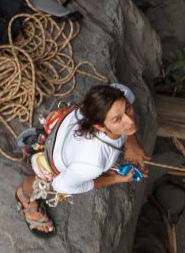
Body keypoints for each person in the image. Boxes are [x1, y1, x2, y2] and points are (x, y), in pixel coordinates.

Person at [14, 82, 152, 235]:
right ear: (99, 127)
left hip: (63, 125)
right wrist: (114, 179)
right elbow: (60, 186)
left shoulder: (117, 93)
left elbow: (124, 99)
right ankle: (24, 196)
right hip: (53, 158)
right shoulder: (93, 164)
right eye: (118, 119)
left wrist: (131, 142)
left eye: (127, 108)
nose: (130, 121)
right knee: (43, 177)